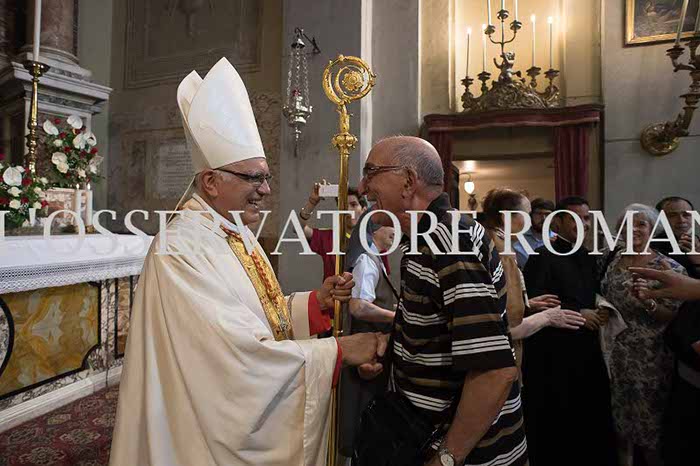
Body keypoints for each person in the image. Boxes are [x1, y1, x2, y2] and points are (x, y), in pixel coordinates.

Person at [109, 58, 384, 466]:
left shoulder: (234, 231)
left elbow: (252, 316)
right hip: (196, 431)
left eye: (266, 177)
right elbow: (233, 360)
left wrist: (315, 304)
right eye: (254, 178)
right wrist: (337, 351)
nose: (266, 190)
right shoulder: (181, 249)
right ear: (210, 182)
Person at [359, 136, 527, 466]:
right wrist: (392, 351)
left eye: (371, 172)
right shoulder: (430, 236)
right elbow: (444, 330)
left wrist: (446, 459)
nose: (363, 186)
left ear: (408, 181)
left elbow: (494, 371)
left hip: (471, 454)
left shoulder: (448, 242)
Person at [521, 196, 617, 466]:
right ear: (558, 222)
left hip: (586, 349)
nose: (583, 224)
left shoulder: (588, 257)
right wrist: (578, 312)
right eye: (575, 218)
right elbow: (534, 302)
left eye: (586, 218)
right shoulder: (542, 256)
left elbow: (589, 293)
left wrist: (600, 307)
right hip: (554, 354)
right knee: (558, 422)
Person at [598, 204, 687, 466]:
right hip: (613, 354)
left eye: (641, 224)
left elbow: (673, 317)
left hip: (651, 358)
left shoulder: (668, 267)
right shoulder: (609, 259)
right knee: (619, 421)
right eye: (627, 224)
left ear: (652, 229)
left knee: (650, 425)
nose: (633, 229)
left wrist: (648, 302)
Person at [480, 189, 585, 370]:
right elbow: (508, 328)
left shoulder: (491, 241)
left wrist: (527, 304)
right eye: (527, 215)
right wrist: (547, 317)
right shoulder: (502, 252)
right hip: (500, 360)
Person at [339, 218, 397, 458]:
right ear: (374, 230)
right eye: (390, 226)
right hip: (365, 353)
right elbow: (358, 307)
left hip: (374, 352)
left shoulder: (377, 260)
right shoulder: (366, 260)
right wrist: (396, 316)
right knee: (360, 423)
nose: (395, 232)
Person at [299, 182, 380, 281]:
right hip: (333, 290)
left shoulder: (377, 239)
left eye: (353, 205)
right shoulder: (329, 237)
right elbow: (298, 229)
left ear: (363, 209)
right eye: (343, 206)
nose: (348, 210)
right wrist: (312, 202)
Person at [654, 196, 700, 278]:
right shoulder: (653, 249)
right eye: (673, 215)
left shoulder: (697, 241)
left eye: (686, 215)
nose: (682, 220)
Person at [513, 198, 555, 270]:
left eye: (547, 214)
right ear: (531, 216)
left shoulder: (558, 240)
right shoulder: (517, 240)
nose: (544, 218)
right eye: (539, 214)